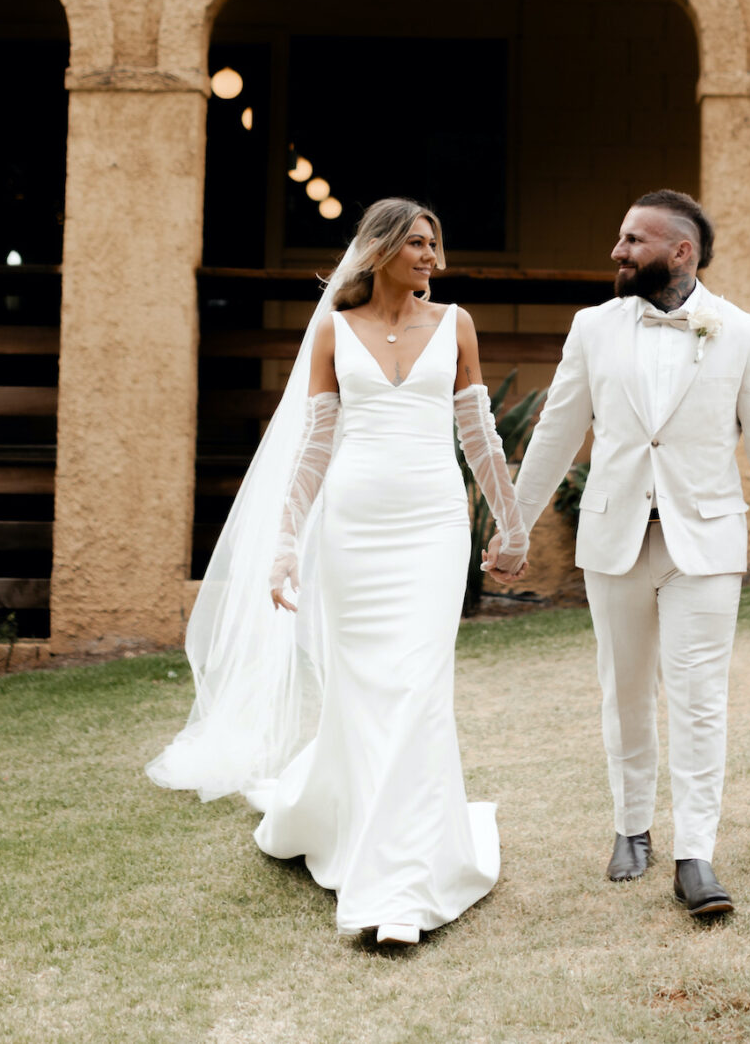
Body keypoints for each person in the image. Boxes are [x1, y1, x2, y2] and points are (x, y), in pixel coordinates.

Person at [147, 198, 527, 945]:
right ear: (379, 249)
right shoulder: (333, 329)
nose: (431, 256)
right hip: (354, 531)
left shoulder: (457, 325)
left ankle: (400, 890)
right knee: (363, 690)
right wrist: (286, 542)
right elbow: (315, 444)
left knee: (418, 688)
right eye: (417, 243)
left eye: (435, 244)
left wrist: (511, 525)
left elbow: (479, 435)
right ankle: (352, 825)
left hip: (433, 528)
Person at [487, 189, 750, 918]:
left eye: (634, 240)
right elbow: (556, 433)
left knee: (699, 698)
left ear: (680, 252)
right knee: (625, 691)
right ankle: (632, 829)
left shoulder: (744, 333)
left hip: (705, 545)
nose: (617, 250)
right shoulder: (592, 327)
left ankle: (696, 855)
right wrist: (514, 528)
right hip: (615, 539)